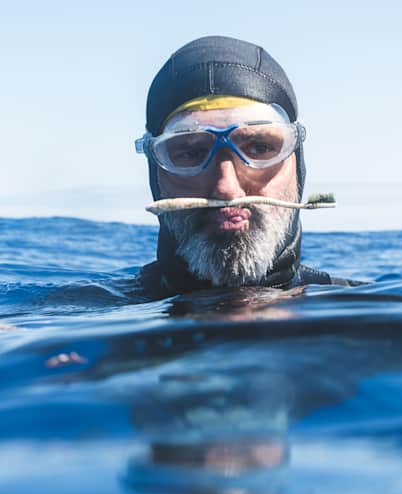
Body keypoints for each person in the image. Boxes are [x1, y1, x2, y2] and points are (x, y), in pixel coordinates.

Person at [135, 35, 359, 300]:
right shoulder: (84, 316)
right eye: (191, 152)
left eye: (261, 148)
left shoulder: (376, 319)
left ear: (298, 165)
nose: (227, 189)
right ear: (156, 174)